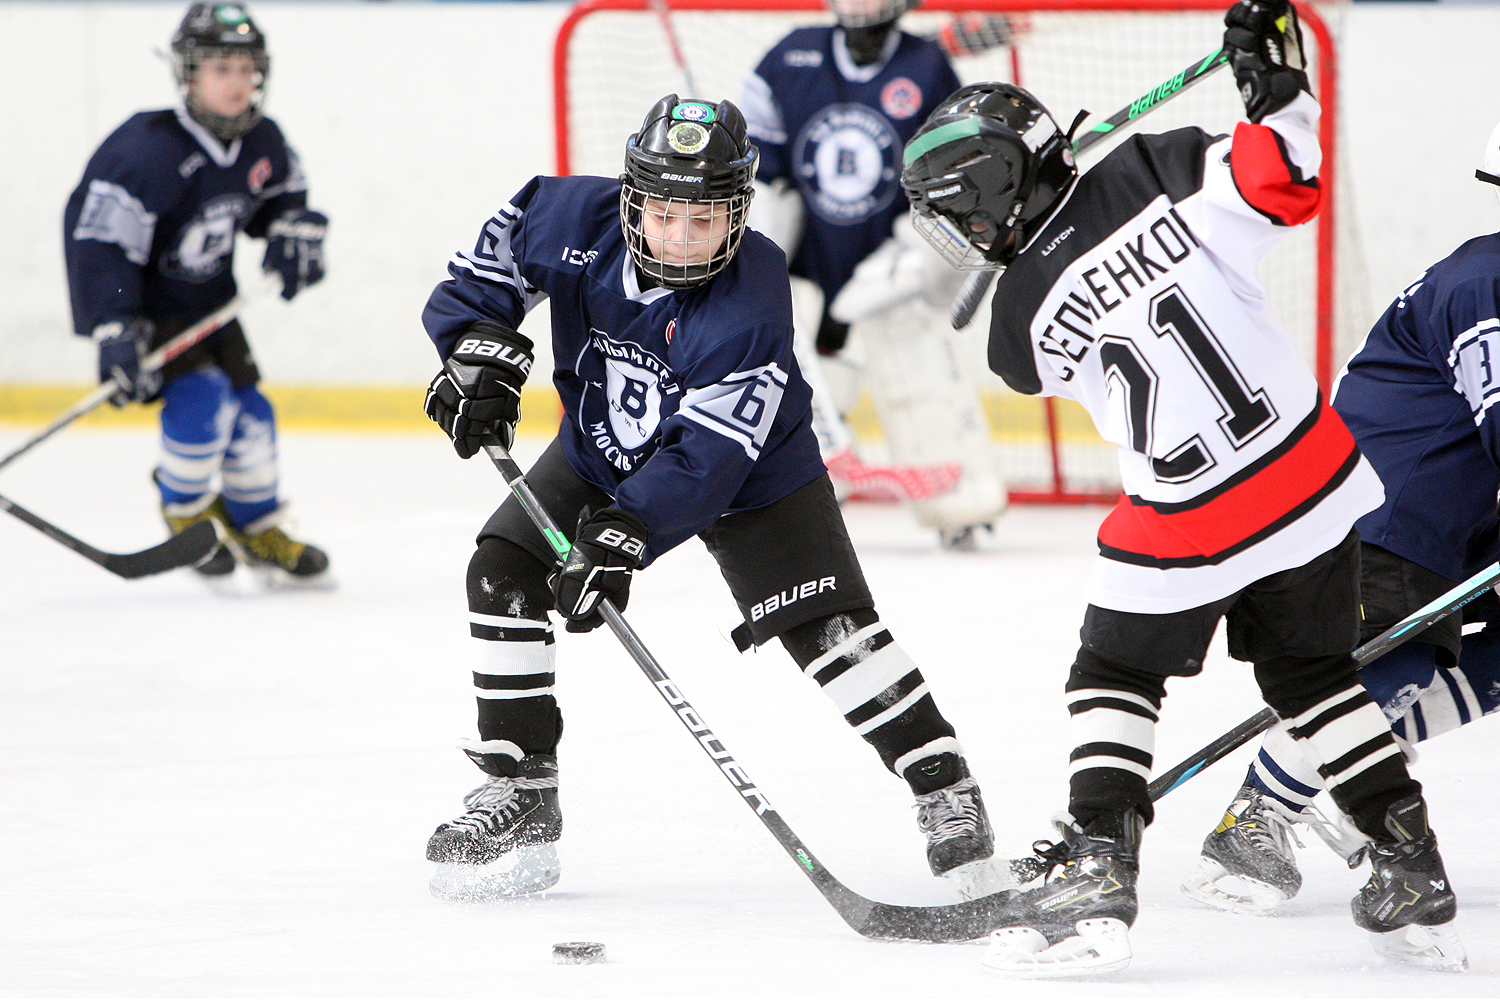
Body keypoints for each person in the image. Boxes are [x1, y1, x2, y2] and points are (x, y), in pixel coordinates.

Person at [899, 0, 1464, 977]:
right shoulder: (1164, 166)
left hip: (1194, 513)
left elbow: (1040, 353)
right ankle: (1407, 856)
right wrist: (1276, 98)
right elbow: (1286, 186)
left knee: (1112, 673)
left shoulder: (1017, 324)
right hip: (1317, 476)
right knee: (1314, 674)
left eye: (959, 208)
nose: (957, 230)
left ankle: (1095, 855)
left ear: (996, 191)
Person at [417, 94, 995, 902]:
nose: (681, 239)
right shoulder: (561, 215)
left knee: (830, 632)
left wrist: (625, 535)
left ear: (738, 214)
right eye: (663, 214)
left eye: (704, 219)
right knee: (502, 569)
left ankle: (942, 785)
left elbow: (709, 456)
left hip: (752, 479)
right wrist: (476, 354)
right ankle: (523, 789)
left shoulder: (752, 295)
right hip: (601, 452)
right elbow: (481, 278)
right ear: (630, 201)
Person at [1180, 120, 1500, 936]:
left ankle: (1352, 764)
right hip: (1385, 507)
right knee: (1385, 662)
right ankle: (1255, 816)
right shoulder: (1488, 281)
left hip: (1457, 514)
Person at [63, 1, 330, 587]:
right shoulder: (145, 150)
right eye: (220, 68)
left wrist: (294, 228)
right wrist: (112, 323)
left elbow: (285, 194)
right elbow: (99, 241)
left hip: (212, 305)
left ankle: (257, 523)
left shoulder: (263, 140)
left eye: (245, 68)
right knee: (202, 399)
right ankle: (184, 512)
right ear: (188, 73)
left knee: (254, 413)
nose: (237, 83)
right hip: (149, 312)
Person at [739, 0, 1008, 547]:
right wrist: (766, 253)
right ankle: (785, 507)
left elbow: (947, 178)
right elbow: (763, 174)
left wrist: (916, 256)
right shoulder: (789, 57)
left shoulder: (928, 66)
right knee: (795, 383)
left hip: (887, 267)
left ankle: (960, 505)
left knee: (912, 361)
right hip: (811, 268)